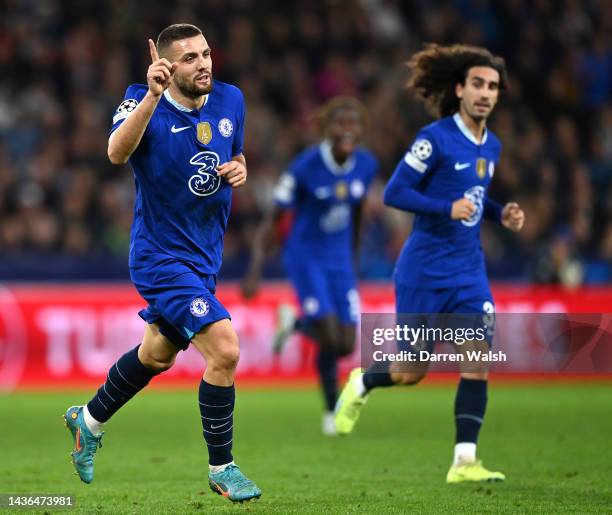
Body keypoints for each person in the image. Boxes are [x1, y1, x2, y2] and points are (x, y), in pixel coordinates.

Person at [62, 24, 261, 503]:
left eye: (207, 53)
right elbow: (115, 152)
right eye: (190, 58)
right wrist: (152, 96)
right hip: (159, 258)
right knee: (226, 350)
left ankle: (87, 421)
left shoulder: (231, 99)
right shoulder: (140, 99)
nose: (204, 64)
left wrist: (240, 167)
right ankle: (223, 468)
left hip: (203, 260)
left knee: (156, 355)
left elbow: (233, 155)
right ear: (168, 67)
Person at [334, 44, 525, 482]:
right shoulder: (434, 139)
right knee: (410, 370)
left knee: (477, 359)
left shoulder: (491, 145)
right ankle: (363, 381)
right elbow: (394, 193)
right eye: (477, 83)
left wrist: (500, 213)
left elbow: (473, 197)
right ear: (459, 89)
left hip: (468, 271)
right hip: (424, 270)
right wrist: (445, 208)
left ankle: (464, 462)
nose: (485, 93)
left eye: (493, 86)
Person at [242, 97, 378, 435]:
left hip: (340, 260)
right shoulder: (304, 168)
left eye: (353, 123)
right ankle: (331, 411)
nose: (347, 130)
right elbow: (273, 219)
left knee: (346, 343)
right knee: (330, 334)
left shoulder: (366, 164)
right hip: (306, 257)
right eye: (340, 123)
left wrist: (354, 256)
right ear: (325, 128)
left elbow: (358, 211)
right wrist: (255, 270)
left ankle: (295, 323)